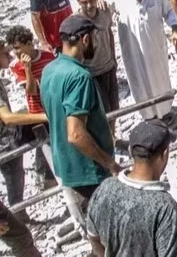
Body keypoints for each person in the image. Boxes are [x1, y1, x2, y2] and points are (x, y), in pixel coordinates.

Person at [40, 16, 121, 224]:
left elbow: (51, 113)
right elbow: (76, 133)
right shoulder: (79, 76)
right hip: (89, 172)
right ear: (85, 39)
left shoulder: (49, 70)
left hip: (66, 168)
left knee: (94, 233)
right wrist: (109, 163)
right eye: (93, 37)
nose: (94, 42)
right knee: (109, 232)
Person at [86, 119, 177, 257]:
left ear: (130, 151)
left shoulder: (105, 188)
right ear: (165, 154)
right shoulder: (166, 210)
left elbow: (93, 237)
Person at [107, 0, 177, 122]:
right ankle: (149, 117)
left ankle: (165, 112)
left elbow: (169, 11)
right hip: (133, 53)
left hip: (155, 49)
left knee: (160, 79)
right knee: (139, 83)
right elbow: (104, 11)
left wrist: (175, 30)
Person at [0, 39, 48, 223]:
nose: (10, 55)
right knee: (15, 181)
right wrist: (44, 116)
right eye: (5, 53)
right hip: (4, 143)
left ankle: (45, 175)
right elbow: (8, 117)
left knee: (44, 131)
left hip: (9, 135)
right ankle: (19, 222)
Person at [6, 26, 57, 189]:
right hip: (37, 112)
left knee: (56, 141)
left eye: (17, 47)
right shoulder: (17, 66)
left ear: (29, 44)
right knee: (44, 142)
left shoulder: (48, 57)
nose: (15, 52)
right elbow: (31, 90)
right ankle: (45, 179)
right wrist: (27, 69)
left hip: (54, 105)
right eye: (13, 48)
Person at [73, 0, 120, 138]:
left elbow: (109, 33)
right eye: (84, 2)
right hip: (91, 73)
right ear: (78, 2)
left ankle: (112, 137)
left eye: (91, 1)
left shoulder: (104, 12)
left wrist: (113, 57)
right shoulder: (76, 21)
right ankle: (104, 141)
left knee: (114, 106)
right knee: (101, 111)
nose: (89, 5)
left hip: (108, 66)